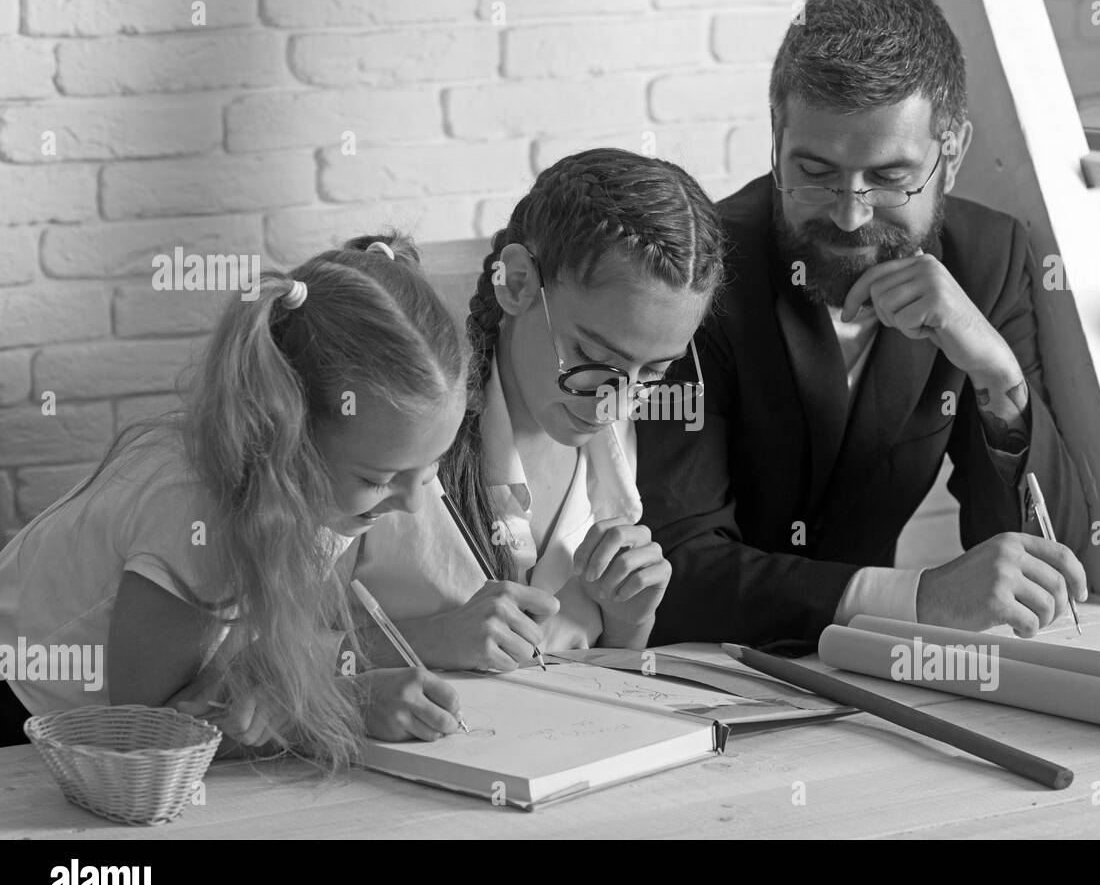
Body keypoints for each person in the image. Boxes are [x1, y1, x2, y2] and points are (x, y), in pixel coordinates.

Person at [638, 0, 1092, 650]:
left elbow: (1053, 567)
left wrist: (999, 378)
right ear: (775, 141)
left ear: (953, 154)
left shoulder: (989, 260)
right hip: (710, 677)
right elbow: (678, 570)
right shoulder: (702, 274)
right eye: (815, 171)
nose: (849, 214)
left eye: (888, 178)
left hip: (873, 677)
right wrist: (917, 597)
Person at [0, 236, 467, 767]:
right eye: (381, 478)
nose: (411, 502)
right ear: (287, 433)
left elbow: (248, 666)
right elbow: (147, 739)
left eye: (429, 468)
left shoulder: (333, 488)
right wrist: (347, 704)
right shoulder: (196, 515)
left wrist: (281, 682)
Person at [354, 148, 725, 666]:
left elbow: (590, 686)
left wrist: (629, 626)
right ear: (520, 284)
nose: (615, 402)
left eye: (656, 371)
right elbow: (245, 656)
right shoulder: (383, 432)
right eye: (593, 356)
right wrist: (428, 641)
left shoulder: (621, 449)